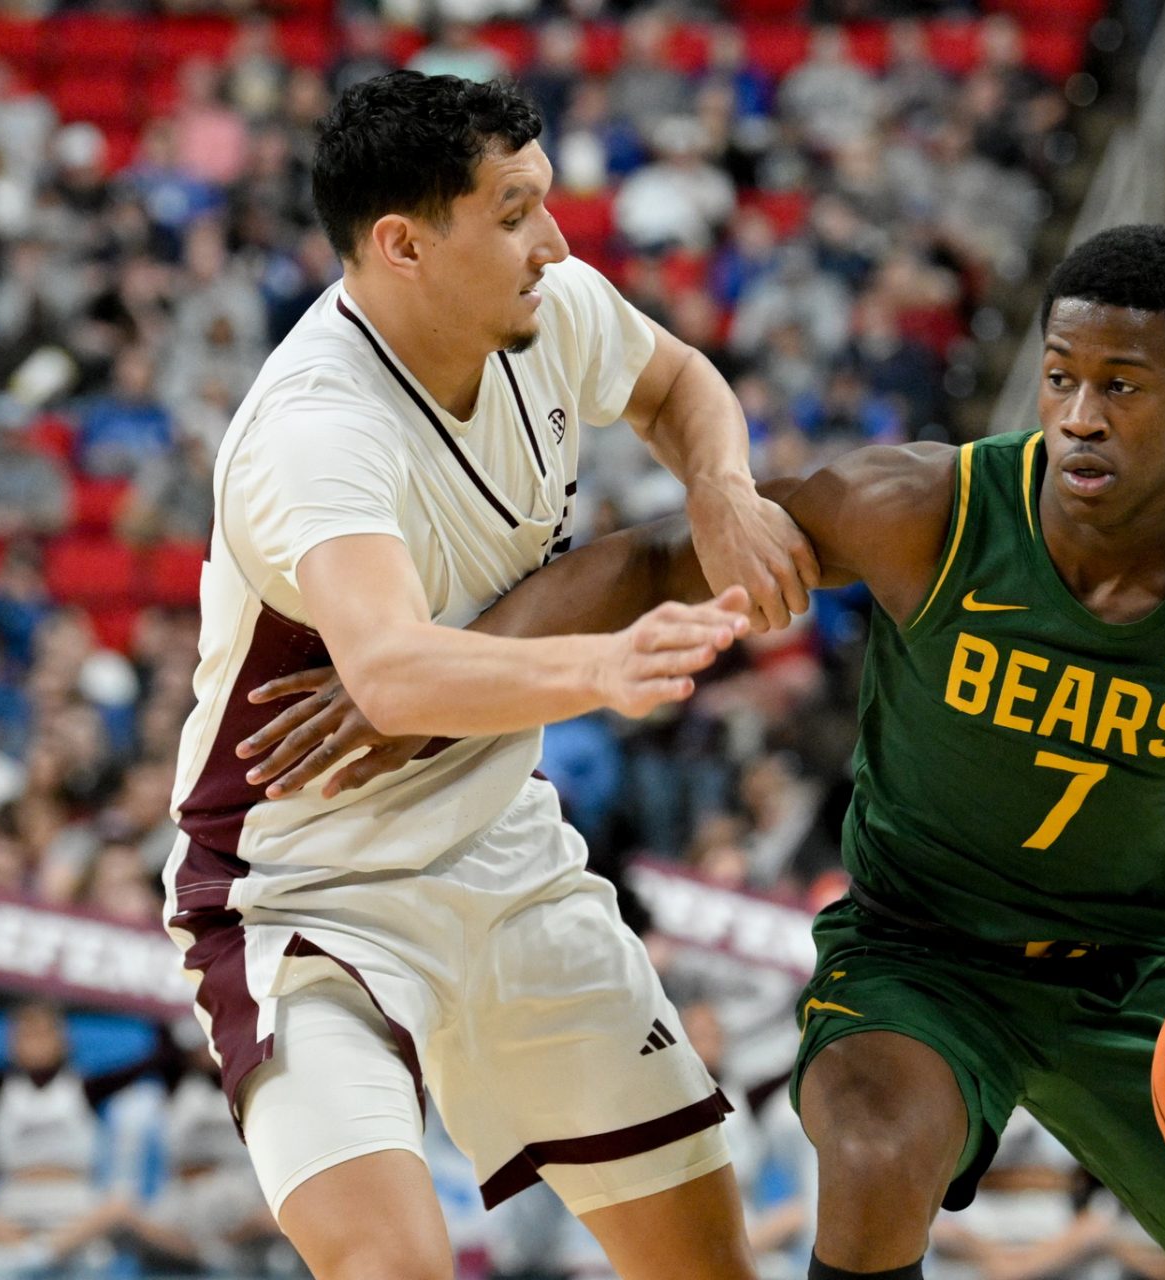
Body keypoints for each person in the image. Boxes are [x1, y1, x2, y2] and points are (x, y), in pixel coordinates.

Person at [241, 225, 1165, 1280]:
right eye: (1063, 375)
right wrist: (413, 681)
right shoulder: (921, 510)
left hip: (1145, 983)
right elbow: (644, 555)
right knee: (869, 1151)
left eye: (1123, 388)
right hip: (919, 954)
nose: (1080, 415)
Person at [161, 72, 816, 1280]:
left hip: (507, 854)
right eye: (514, 212)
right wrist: (604, 666)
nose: (555, 243)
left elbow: (677, 385)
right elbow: (393, 675)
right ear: (403, 243)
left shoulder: (554, 309)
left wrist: (720, 486)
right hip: (311, 895)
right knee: (394, 1265)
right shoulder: (317, 429)